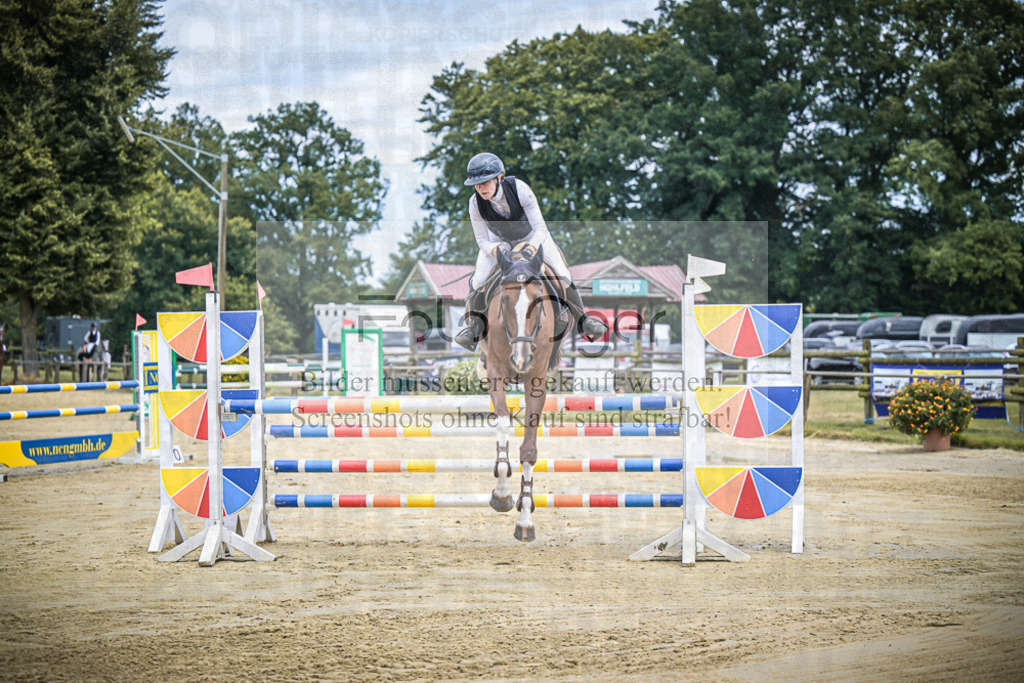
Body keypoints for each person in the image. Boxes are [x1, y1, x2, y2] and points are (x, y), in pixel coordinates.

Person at [455, 152, 609, 351]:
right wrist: (495, 250)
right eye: (476, 184)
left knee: (563, 273)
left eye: (484, 182)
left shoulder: (520, 190)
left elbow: (541, 229)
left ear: (499, 178)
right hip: (498, 241)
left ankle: (584, 321)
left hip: (532, 236)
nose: (480, 188)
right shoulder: (475, 203)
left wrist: (531, 248)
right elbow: (482, 240)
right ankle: (473, 329)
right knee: (477, 280)